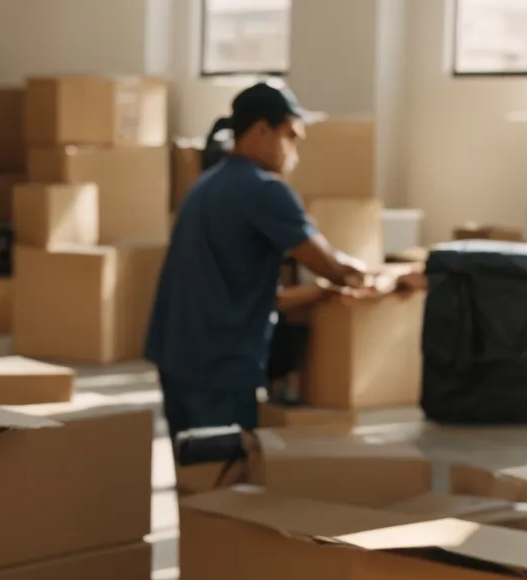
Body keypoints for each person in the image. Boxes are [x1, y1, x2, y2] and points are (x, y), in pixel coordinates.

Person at [144, 82, 380, 452]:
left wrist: (316, 293)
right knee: (226, 481)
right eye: (291, 136)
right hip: (220, 362)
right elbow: (331, 266)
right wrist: (365, 273)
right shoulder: (264, 191)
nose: (294, 151)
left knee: (195, 475)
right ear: (260, 130)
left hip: (178, 352)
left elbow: (235, 289)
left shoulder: (206, 186)